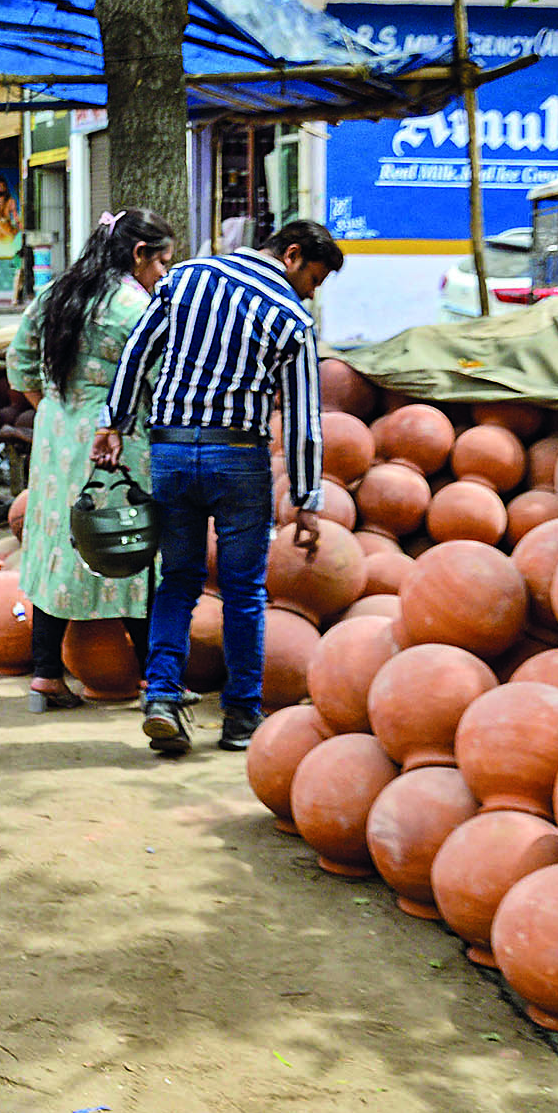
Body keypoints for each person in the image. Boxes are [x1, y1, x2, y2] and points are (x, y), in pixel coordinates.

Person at [92, 219, 342, 756]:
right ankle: (240, 718)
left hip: (172, 451)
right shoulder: (294, 320)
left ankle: (160, 695)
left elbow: (137, 352)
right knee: (244, 591)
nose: (312, 292)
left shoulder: (186, 278)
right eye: (315, 278)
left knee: (177, 580)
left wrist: (112, 422)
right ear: (292, 255)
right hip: (239, 458)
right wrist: (306, 501)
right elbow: (303, 418)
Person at [6, 209, 172, 709]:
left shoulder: (58, 291)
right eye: (162, 263)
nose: (164, 274)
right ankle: (154, 681)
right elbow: (161, 378)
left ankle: (45, 677)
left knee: (57, 541)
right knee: (131, 542)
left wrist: (58, 410)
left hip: (58, 434)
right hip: (118, 437)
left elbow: (20, 362)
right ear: (139, 254)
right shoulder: (136, 306)